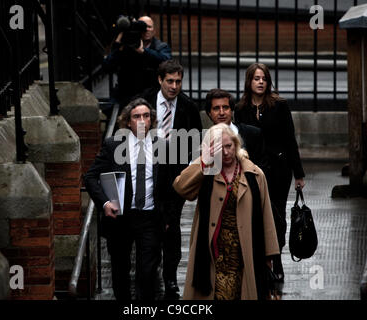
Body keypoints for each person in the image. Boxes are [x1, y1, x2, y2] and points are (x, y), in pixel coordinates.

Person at [173, 123, 279, 300]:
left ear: (236, 144)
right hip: (212, 253)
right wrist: (203, 161)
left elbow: (266, 214)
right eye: (220, 149)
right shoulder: (206, 171)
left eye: (229, 146)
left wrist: (270, 255)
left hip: (245, 251)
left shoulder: (254, 173)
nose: (226, 152)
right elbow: (181, 188)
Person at [84, 98, 174, 300]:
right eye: (136, 116)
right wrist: (105, 203)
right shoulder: (113, 145)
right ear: (127, 122)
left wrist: (167, 217)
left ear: (151, 120)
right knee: (120, 272)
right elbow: (90, 177)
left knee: (147, 272)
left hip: (150, 218)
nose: (142, 120)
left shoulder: (162, 146)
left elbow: (169, 186)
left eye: (146, 116)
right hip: (121, 217)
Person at [234, 62, 306, 282]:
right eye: (256, 78)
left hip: (278, 169)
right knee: (253, 214)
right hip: (251, 170)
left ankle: (277, 258)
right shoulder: (240, 108)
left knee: (276, 215)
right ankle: (258, 261)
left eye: (264, 78)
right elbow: (239, 141)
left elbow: (289, 139)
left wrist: (298, 173)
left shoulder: (279, 105)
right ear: (249, 81)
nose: (261, 82)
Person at [142, 59, 202, 299]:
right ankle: (152, 272)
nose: (174, 86)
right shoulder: (145, 101)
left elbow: (196, 142)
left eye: (178, 81)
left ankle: (170, 278)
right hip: (149, 175)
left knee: (172, 228)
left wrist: (187, 173)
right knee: (151, 225)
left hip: (175, 179)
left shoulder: (188, 107)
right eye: (170, 81)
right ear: (160, 80)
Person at [103, 15, 172, 109]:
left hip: (150, 95)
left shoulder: (161, 47)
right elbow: (107, 66)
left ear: (154, 30)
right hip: (125, 94)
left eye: (149, 27)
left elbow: (167, 62)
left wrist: (144, 51)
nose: (146, 29)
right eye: (143, 27)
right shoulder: (126, 46)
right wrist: (118, 44)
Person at [204, 88, 268, 173]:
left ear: (231, 111)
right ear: (209, 113)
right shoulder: (202, 139)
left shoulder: (253, 134)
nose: (222, 112)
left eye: (225, 107)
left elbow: (263, 171)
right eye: (216, 108)